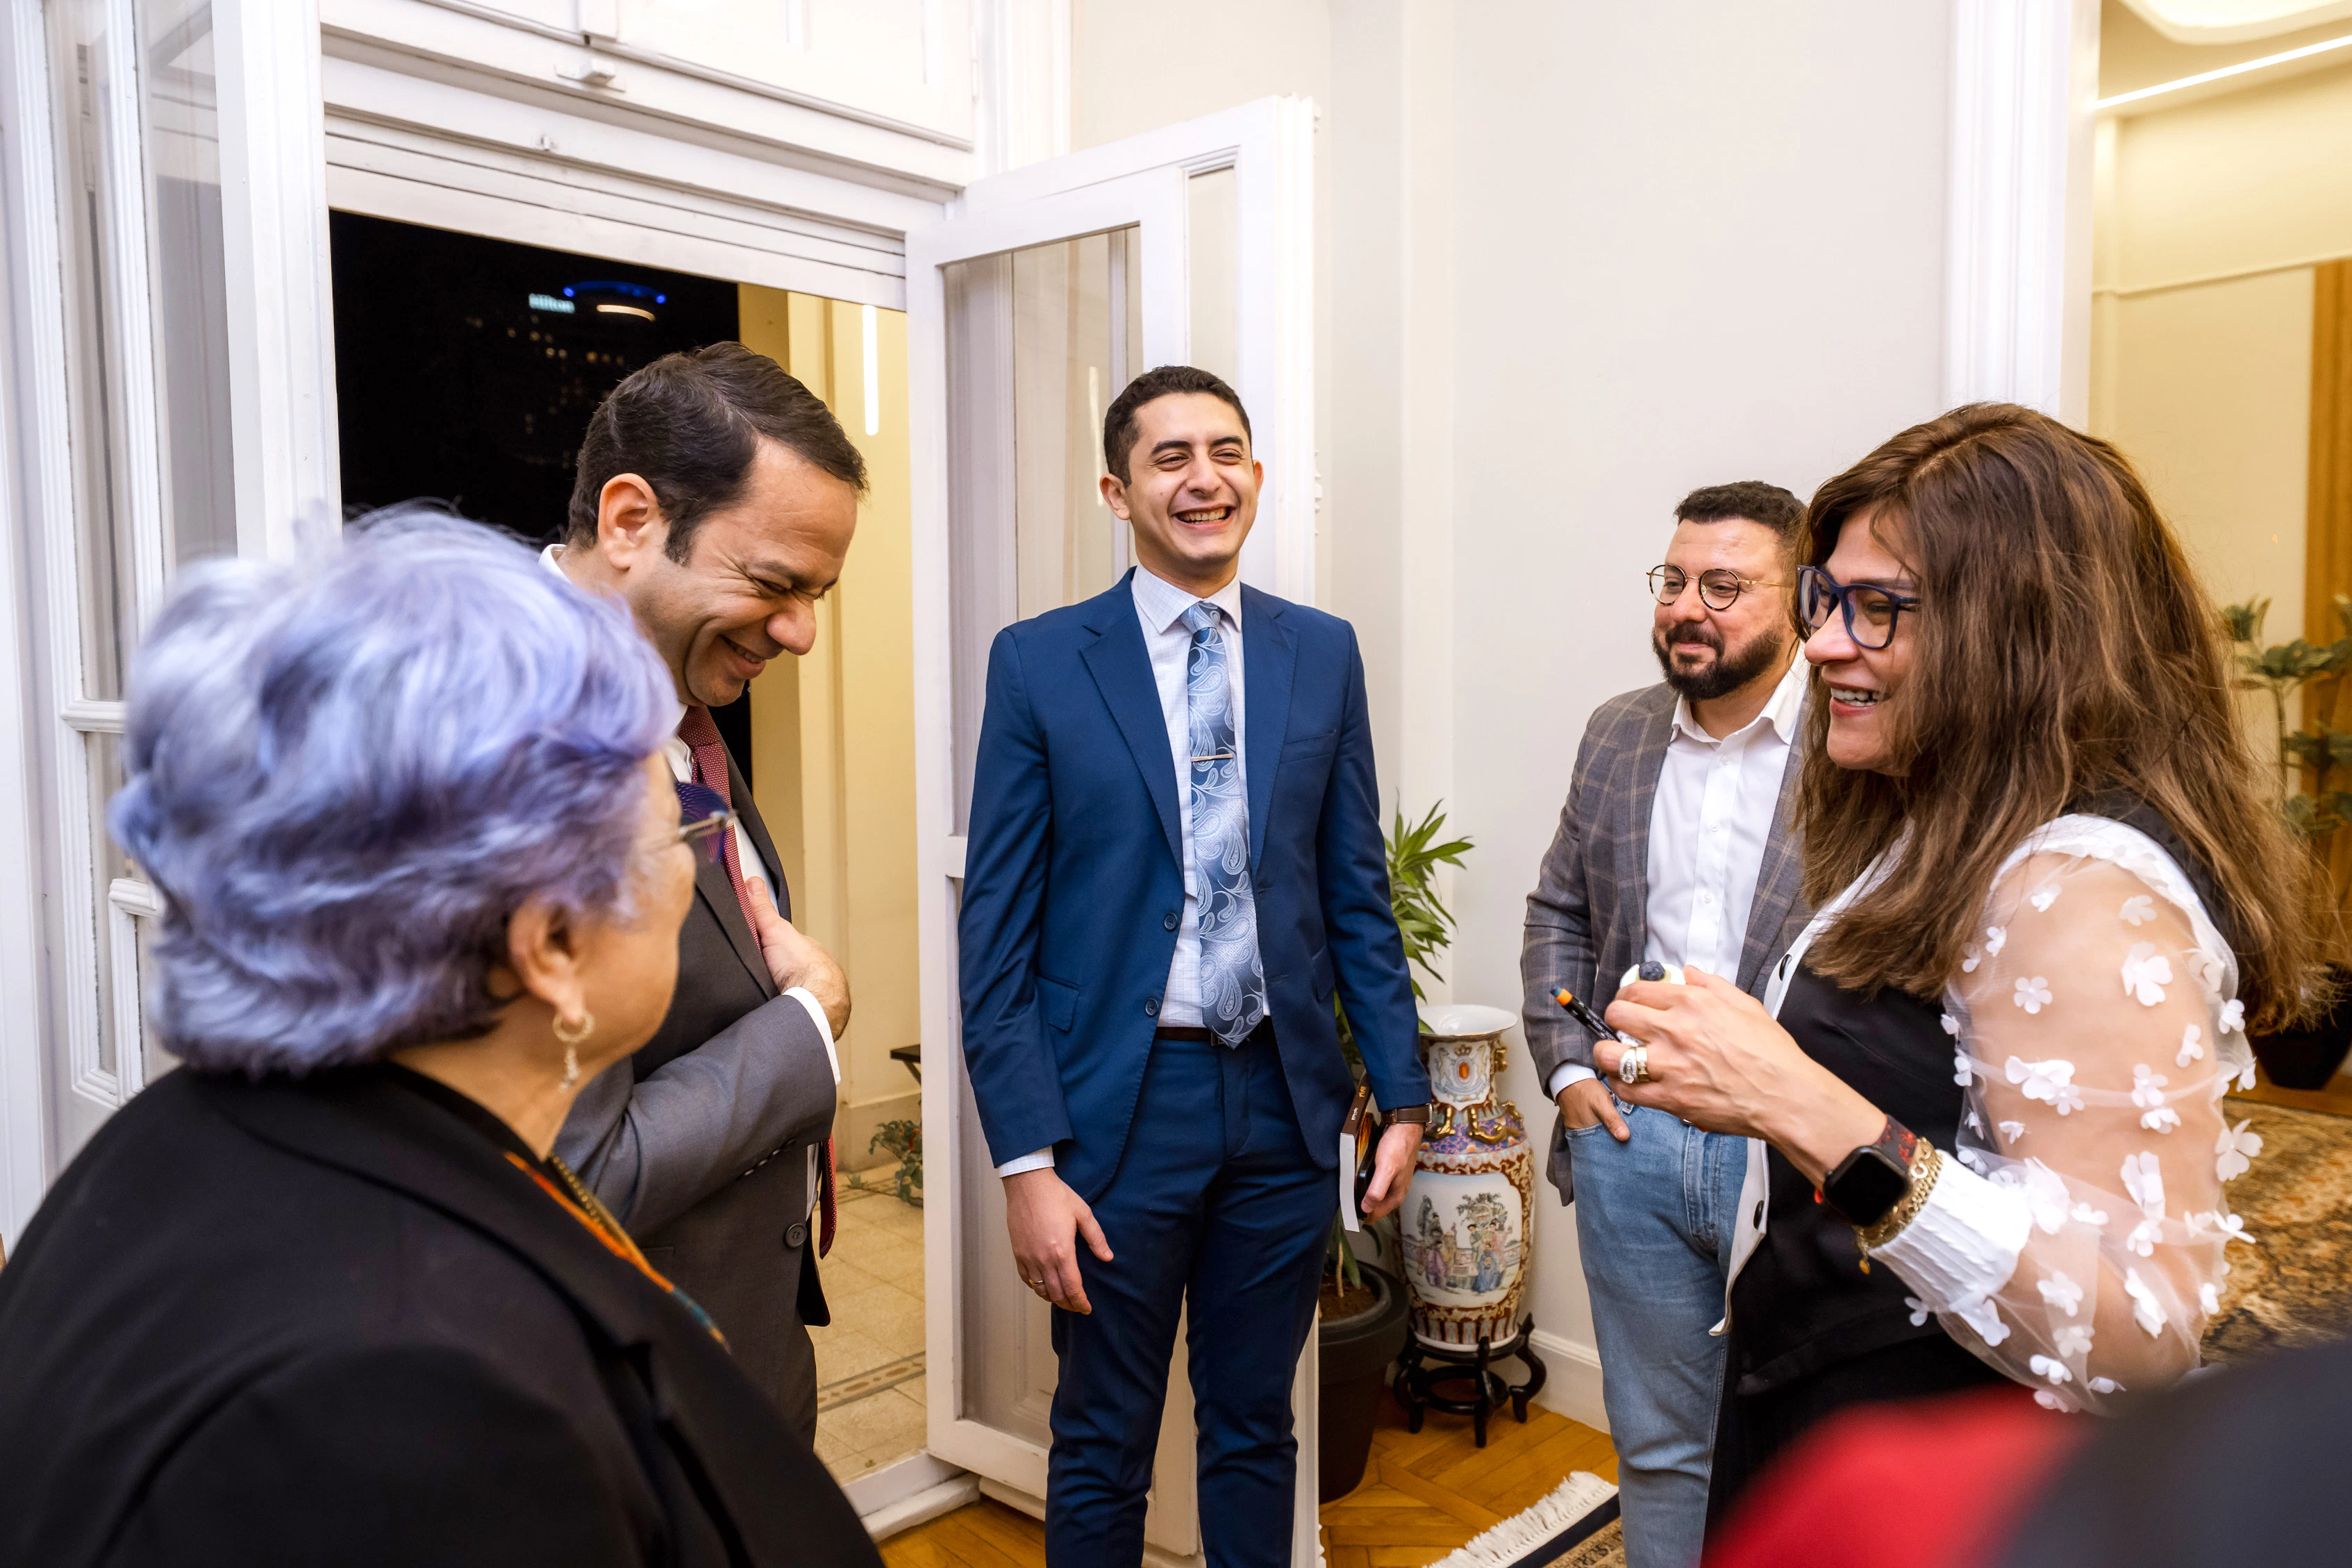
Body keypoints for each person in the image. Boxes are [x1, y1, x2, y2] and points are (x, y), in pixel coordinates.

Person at [0, 514, 880, 1568]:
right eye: (677, 830)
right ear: (549, 939)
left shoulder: (187, 1134)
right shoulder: (418, 1407)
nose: (697, 867)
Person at [1581, 404, 2325, 1535]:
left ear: (2023, 632)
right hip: (1823, 1393)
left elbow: (2129, 1334)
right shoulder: (1936, 816)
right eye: (1829, 599)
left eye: (1877, 608)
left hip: (1943, 1479)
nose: (1823, 642)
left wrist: (1792, 1098)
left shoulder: (2081, 885)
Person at [957, 365, 1431, 1567]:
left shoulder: (1319, 653)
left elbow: (1354, 894)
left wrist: (1403, 1092)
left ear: (1256, 480)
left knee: (1255, 1427)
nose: (1202, 476)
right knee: (1104, 1436)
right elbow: (997, 934)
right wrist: (1024, 1158)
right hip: (1117, 1110)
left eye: (1224, 451)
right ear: (1117, 490)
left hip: (1279, 1106)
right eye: (1169, 457)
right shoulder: (1040, 662)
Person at [551, 343, 864, 1441]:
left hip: (738, 1340)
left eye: (816, 594)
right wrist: (807, 1026)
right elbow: (570, 1176)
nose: (800, 631)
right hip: (622, 1400)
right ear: (632, 520)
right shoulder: (526, 746)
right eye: (775, 584)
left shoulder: (676, 708)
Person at [1521, 479, 1810, 1568]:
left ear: (1799, 597)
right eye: (1674, 580)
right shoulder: (1619, 733)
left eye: (1725, 586)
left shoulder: (1860, 741)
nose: (1688, 607)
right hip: (1630, 1140)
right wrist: (1566, 1078)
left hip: (1785, 1152)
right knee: (1657, 1445)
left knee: (1800, 1444)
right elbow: (1557, 907)